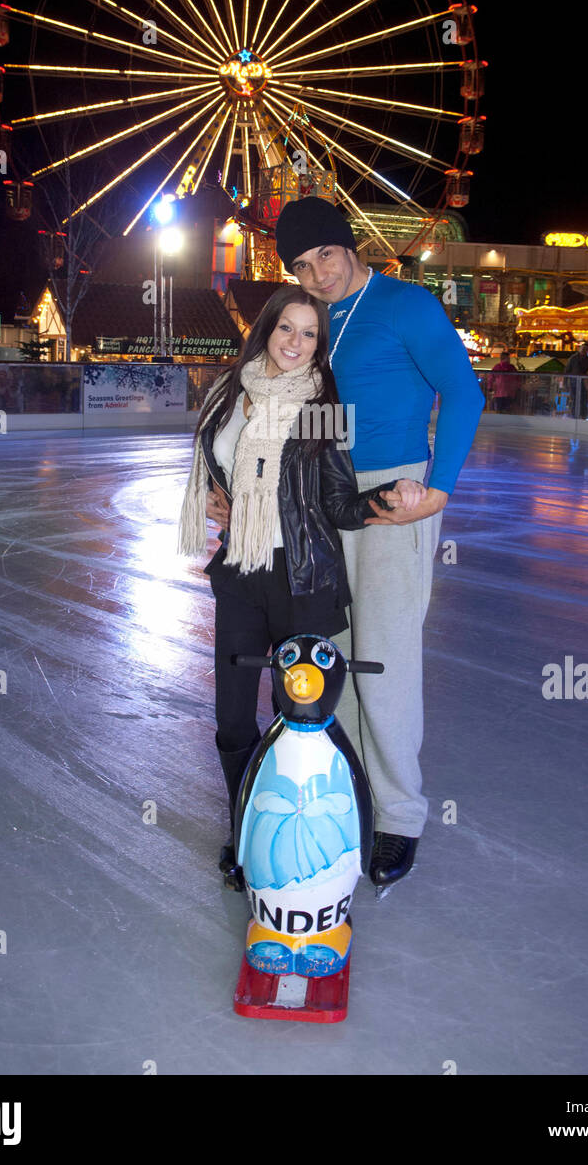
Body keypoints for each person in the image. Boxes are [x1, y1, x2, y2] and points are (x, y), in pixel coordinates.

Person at [207, 197, 484, 891]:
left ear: (349, 245)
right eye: (301, 264)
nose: (317, 273)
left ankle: (399, 816)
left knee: (383, 656)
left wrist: (440, 486)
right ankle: (352, 795)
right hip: (317, 496)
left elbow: (463, 392)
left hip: (392, 496)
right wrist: (245, 494)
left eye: (325, 255)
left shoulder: (406, 306)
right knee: (330, 657)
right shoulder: (313, 325)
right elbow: (289, 418)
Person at [178, 285, 424, 889]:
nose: (296, 342)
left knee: (305, 717)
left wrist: (386, 498)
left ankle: (334, 827)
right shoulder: (226, 395)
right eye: (287, 328)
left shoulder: (321, 407)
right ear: (266, 329)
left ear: (319, 344)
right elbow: (213, 464)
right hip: (241, 574)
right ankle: (246, 829)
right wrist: (220, 499)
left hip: (305, 582)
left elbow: (337, 502)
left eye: (309, 333)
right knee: (233, 721)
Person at [565, 340, 588, 417]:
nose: (584, 351)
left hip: (585, 384)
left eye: (586, 349)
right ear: (580, 349)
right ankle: (574, 415)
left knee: (583, 399)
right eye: (583, 349)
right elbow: (567, 370)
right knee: (574, 399)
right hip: (574, 382)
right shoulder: (573, 358)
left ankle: (583, 415)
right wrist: (566, 382)